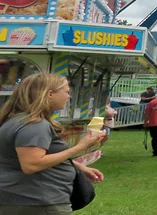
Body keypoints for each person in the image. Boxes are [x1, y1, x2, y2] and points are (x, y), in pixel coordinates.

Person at [0, 73, 105, 214]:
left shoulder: (16, 120)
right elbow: (32, 164)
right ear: (50, 94)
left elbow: (29, 157)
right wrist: (81, 146)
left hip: (22, 199)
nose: (69, 97)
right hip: (39, 202)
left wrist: (79, 167)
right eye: (66, 92)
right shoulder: (35, 125)